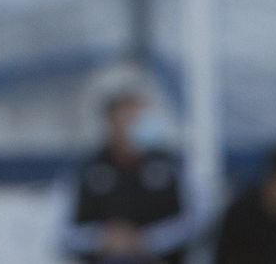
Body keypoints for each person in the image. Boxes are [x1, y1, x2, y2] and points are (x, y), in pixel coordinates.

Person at [60, 89, 198, 263]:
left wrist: (147, 240)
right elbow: (65, 232)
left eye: (143, 118)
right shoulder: (86, 169)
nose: (140, 125)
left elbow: (193, 222)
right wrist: (102, 239)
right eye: (130, 119)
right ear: (111, 124)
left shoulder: (171, 165)